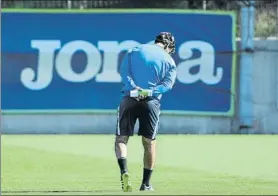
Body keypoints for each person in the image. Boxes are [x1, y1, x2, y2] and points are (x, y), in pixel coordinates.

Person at [114, 32, 177, 192]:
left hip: (129, 98)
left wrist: (134, 88)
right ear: (169, 46)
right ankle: (146, 184)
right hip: (151, 102)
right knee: (149, 143)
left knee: (122, 138)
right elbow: (168, 85)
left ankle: (124, 171)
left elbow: (124, 73)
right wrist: (150, 91)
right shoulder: (169, 61)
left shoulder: (135, 50)